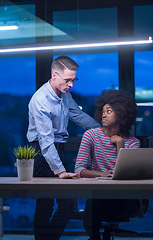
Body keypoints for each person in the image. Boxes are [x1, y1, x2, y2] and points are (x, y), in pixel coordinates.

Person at [26, 56, 100, 240]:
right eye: (68, 80)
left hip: (58, 149)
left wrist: (102, 130)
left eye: (73, 79)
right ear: (54, 75)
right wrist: (60, 171)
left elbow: (78, 115)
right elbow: (46, 141)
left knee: (63, 203)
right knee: (49, 203)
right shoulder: (40, 100)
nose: (71, 84)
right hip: (42, 153)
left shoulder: (65, 94)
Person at [74, 89, 140, 240]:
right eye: (103, 111)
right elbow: (79, 169)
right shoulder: (90, 135)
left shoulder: (133, 142)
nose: (103, 115)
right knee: (96, 203)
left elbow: (127, 172)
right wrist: (102, 174)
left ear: (122, 113)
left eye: (108, 111)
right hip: (98, 195)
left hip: (122, 197)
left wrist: (119, 143)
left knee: (105, 204)